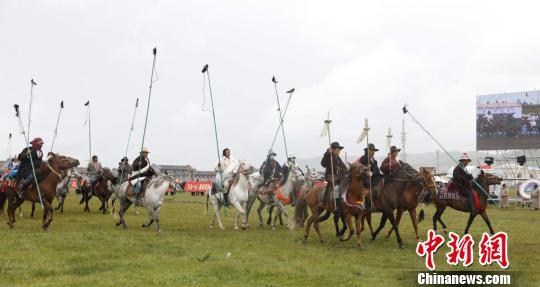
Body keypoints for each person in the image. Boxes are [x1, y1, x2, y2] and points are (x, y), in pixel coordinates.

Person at [320, 142, 347, 213]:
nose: (339, 151)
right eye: (337, 149)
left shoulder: (338, 158)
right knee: (336, 188)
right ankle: (336, 206)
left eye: (339, 149)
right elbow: (322, 164)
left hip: (339, 176)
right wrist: (327, 154)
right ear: (333, 150)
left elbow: (344, 167)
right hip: (330, 176)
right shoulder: (328, 156)